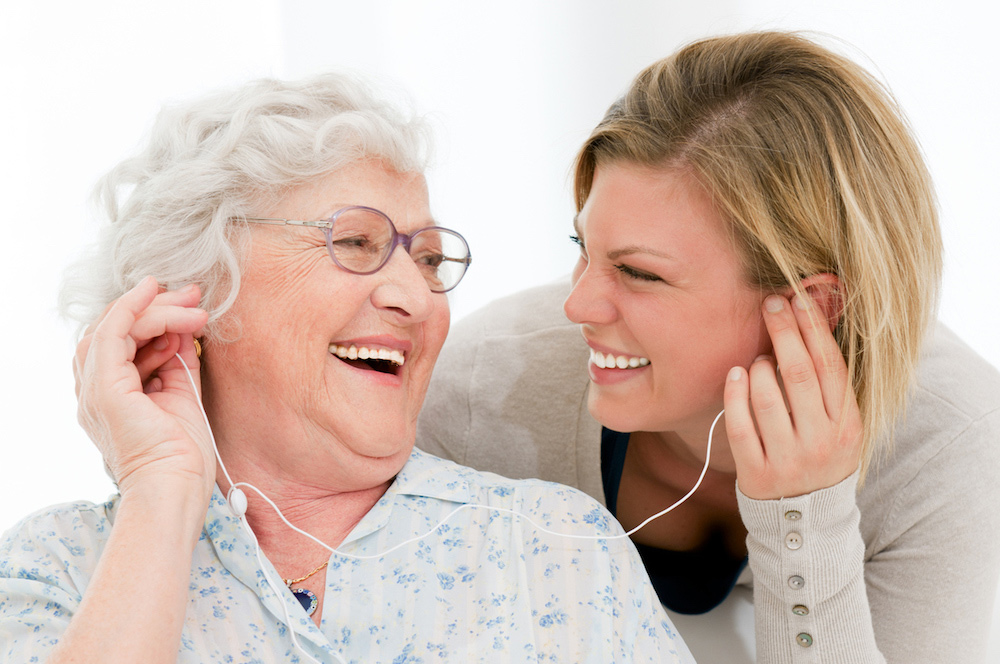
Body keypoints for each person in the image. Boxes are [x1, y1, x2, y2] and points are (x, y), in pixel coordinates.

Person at [0, 73, 693, 663]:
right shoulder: (62, 563)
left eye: (426, 260)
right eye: (356, 242)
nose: (416, 296)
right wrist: (160, 491)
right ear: (196, 290)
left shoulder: (554, 549)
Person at [418, 31, 1000, 663]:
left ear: (813, 306)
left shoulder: (950, 445)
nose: (577, 306)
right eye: (581, 247)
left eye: (640, 273)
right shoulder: (484, 390)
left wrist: (805, 517)